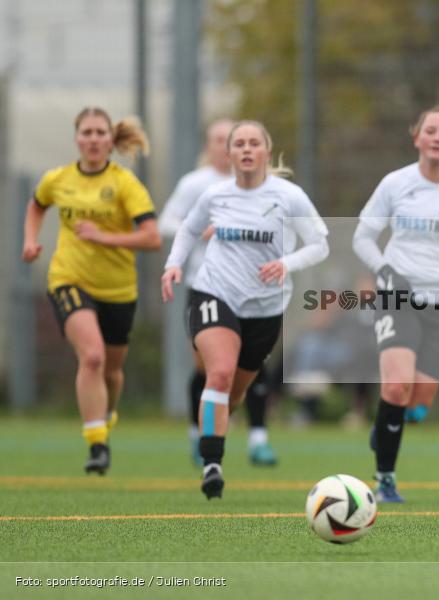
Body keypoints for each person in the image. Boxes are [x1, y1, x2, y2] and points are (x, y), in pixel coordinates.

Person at [161, 120, 329, 499]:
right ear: (229, 153)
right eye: (239, 143)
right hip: (213, 292)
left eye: (255, 143)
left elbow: (319, 244)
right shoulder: (214, 195)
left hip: (266, 307)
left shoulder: (289, 196)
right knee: (217, 374)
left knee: (234, 393)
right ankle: (212, 465)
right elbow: (187, 229)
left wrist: (287, 264)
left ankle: (219, 424)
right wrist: (174, 264)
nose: (247, 149)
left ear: (267, 152)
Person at [21, 106, 161, 475]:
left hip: (118, 289)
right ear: (77, 138)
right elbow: (36, 205)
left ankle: (105, 415)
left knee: (112, 371)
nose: (93, 139)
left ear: (110, 140)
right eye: (87, 132)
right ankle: (97, 443)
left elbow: (151, 237)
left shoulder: (125, 183)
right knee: (93, 357)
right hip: (69, 279)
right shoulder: (58, 179)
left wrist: (104, 236)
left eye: (100, 132)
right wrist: (31, 240)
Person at [352, 105, 439, 503]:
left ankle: (387, 421)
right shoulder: (395, 183)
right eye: (430, 131)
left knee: (417, 404)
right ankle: (385, 479)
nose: (437, 138)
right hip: (399, 297)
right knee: (397, 384)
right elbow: (362, 237)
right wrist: (384, 270)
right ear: (417, 137)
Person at [159, 119, 281, 467]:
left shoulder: (268, 188)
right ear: (218, 146)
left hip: (257, 290)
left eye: (249, 142)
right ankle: (200, 435)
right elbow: (169, 222)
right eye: (221, 140)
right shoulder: (196, 185)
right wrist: (202, 232)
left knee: (254, 365)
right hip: (206, 286)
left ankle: (259, 438)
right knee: (210, 369)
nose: (239, 148)